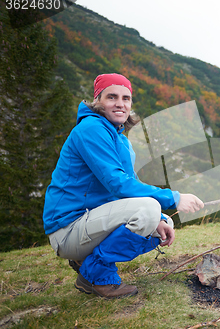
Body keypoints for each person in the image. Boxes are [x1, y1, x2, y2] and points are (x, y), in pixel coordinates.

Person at [43, 73, 204, 298]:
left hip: (90, 222)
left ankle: (87, 263)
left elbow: (128, 188)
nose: (120, 103)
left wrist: (157, 218)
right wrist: (174, 198)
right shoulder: (91, 129)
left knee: (161, 221)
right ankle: (96, 277)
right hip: (68, 229)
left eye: (126, 98)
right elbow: (118, 184)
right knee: (148, 210)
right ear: (97, 100)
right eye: (112, 97)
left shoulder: (120, 139)